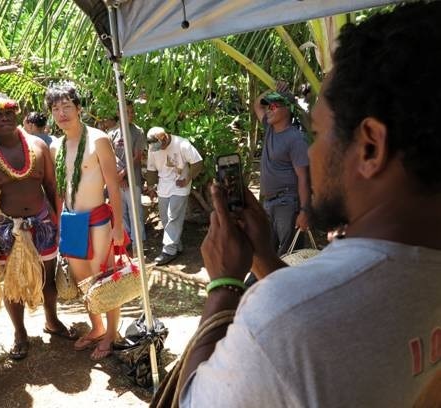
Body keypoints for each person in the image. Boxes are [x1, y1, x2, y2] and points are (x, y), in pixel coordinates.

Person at [179, 3, 441, 406]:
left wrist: (223, 287)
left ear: (370, 145)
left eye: (318, 133)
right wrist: (264, 258)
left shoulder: (283, 317)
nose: (313, 152)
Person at [0, 92, 76, 361]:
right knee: (12, 284)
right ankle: (20, 332)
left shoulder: (37, 146)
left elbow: (50, 185)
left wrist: (58, 219)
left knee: (48, 277)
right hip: (3, 231)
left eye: (8, 113)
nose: (4, 118)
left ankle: (52, 320)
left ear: (17, 114)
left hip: (42, 223)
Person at [46, 82, 124, 361]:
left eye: (67, 106)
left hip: (99, 219)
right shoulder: (56, 146)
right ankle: (97, 327)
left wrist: (118, 226)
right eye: (56, 108)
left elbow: (113, 186)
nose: (62, 113)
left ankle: (113, 333)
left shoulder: (98, 139)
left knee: (104, 279)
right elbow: (59, 190)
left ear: (79, 108)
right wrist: (59, 227)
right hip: (71, 220)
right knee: (83, 281)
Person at [253, 81, 311, 255]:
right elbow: (257, 104)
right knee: (266, 251)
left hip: (287, 202)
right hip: (269, 202)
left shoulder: (295, 139)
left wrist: (305, 211)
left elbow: (304, 177)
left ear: (287, 110)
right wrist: (273, 89)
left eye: (275, 106)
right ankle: (257, 282)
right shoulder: (270, 128)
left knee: (289, 254)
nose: (269, 109)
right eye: (269, 106)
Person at [145, 127, 203, 265]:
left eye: (160, 145)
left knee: (173, 216)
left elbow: (197, 162)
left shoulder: (182, 144)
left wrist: (188, 178)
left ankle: (168, 250)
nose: (158, 149)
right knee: (165, 218)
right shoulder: (153, 147)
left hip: (180, 186)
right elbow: (151, 168)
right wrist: (151, 187)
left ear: (164, 137)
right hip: (163, 186)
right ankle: (177, 246)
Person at [109, 100, 146, 251]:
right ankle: (128, 242)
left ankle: (138, 244)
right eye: (126, 112)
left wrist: (124, 174)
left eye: (132, 112)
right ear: (118, 113)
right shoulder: (112, 133)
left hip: (133, 180)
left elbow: (137, 157)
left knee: (135, 213)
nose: (130, 115)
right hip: (117, 181)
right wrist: (118, 176)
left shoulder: (138, 132)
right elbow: (110, 156)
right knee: (121, 213)